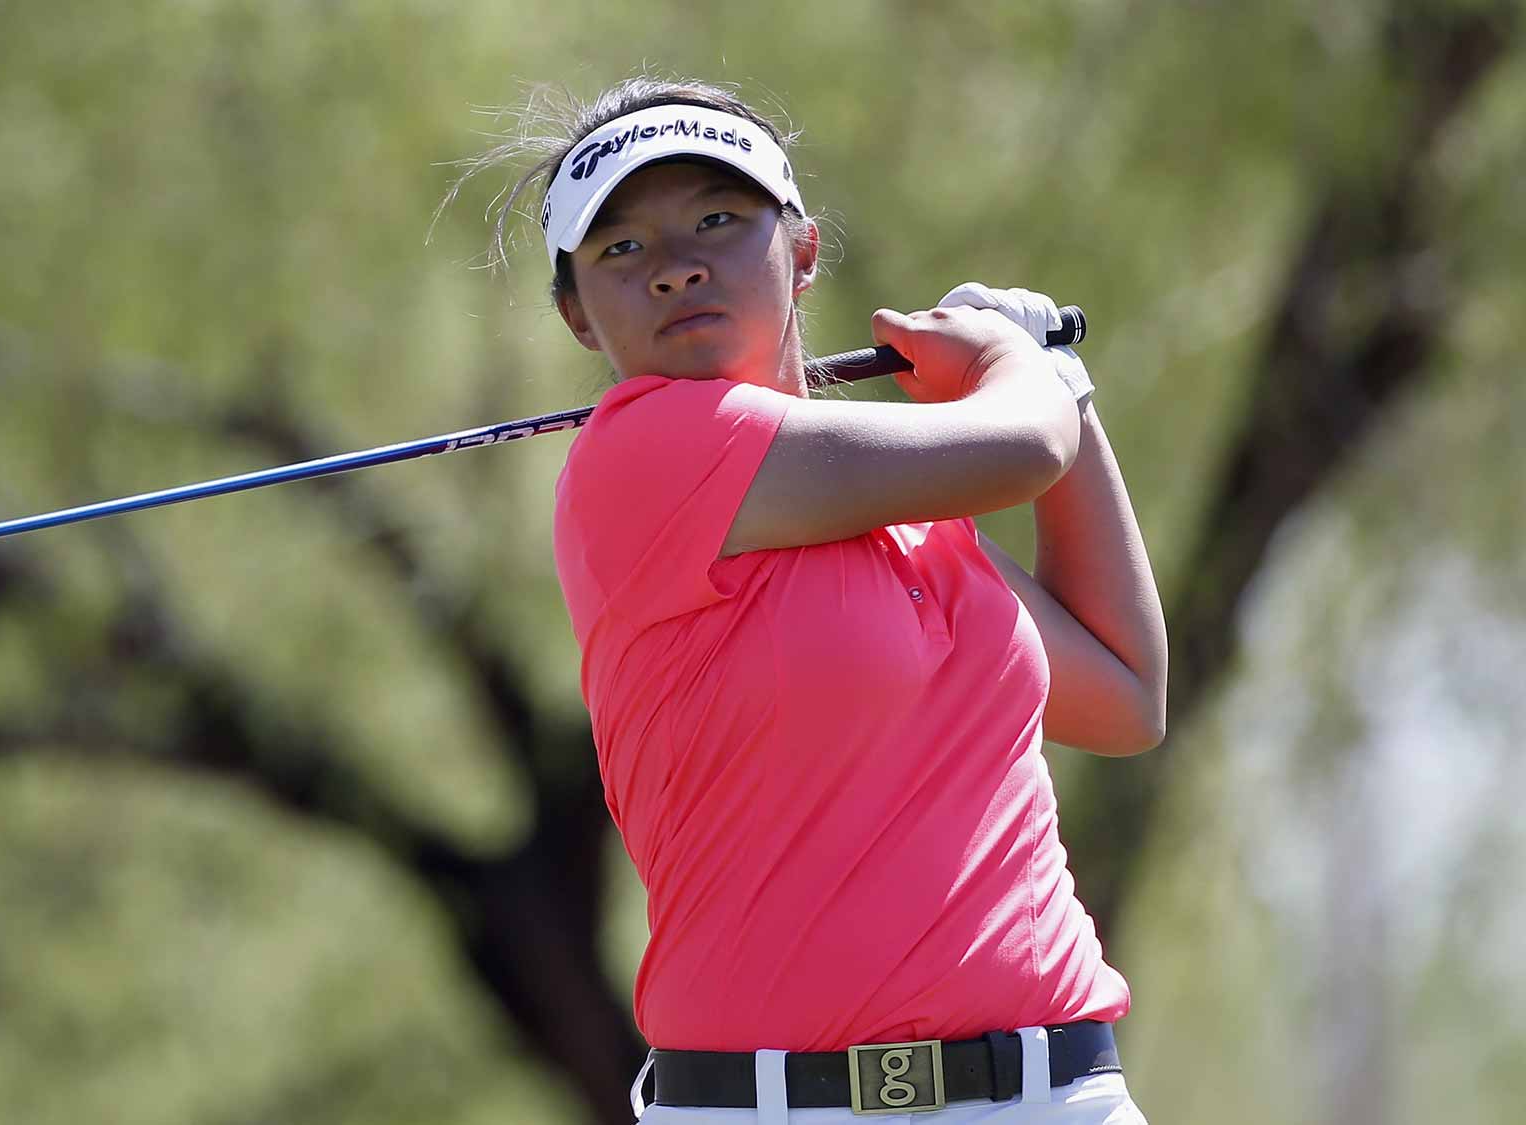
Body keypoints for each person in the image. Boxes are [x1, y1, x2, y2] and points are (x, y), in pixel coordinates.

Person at [466, 76, 1168, 1122]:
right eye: (620, 250)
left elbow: (1121, 697)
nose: (674, 269)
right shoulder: (640, 457)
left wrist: (1066, 392)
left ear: (799, 253)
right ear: (576, 316)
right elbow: (1019, 443)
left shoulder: (921, 519)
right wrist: (1021, 366)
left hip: (1054, 1093)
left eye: (716, 219)